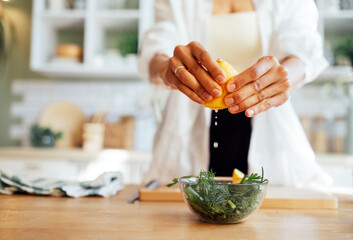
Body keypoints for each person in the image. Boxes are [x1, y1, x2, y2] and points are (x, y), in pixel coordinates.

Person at [138, 0, 332, 188]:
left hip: (266, 124)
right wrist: (168, 69)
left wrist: (285, 76)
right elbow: (157, 50)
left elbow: (304, 50)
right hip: (188, 132)